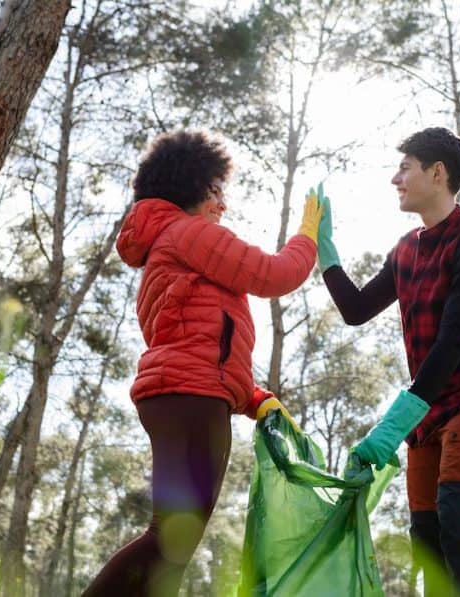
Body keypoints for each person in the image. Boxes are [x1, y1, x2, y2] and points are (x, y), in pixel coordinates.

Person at [82, 130, 321, 596]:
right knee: (170, 538)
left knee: (175, 542)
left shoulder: (168, 250)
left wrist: (253, 399)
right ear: (188, 186)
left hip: (180, 397)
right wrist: (306, 237)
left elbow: (194, 342)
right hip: (192, 401)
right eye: (215, 192)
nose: (222, 206)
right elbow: (274, 274)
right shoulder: (189, 234)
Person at [316, 127, 460, 597]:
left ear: (437, 172)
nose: (395, 179)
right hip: (426, 417)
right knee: (425, 536)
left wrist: (395, 421)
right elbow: (356, 309)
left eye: (404, 167)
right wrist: (325, 250)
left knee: (458, 520)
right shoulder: (407, 249)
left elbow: (456, 338)